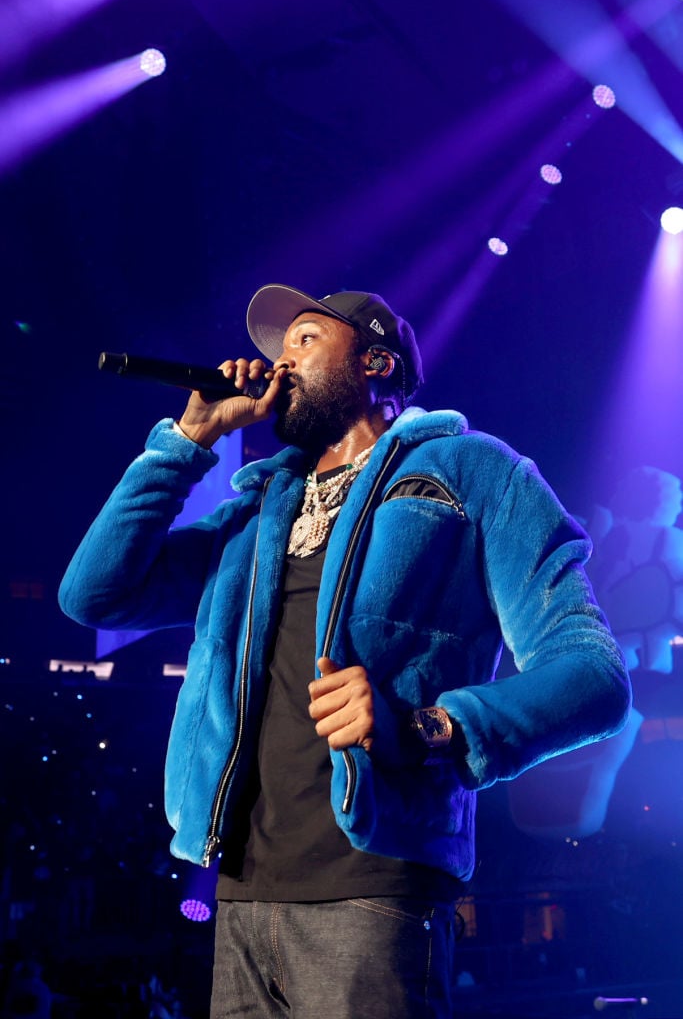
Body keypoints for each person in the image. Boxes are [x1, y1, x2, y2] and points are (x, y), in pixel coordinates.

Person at [59, 284, 631, 1019]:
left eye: (302, 339)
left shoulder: (475, 472)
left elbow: (593, 677)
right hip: (240, 892)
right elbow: (94, 595)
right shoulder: (254, 512)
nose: (278, 362)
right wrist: (184, 445)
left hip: (374, 890)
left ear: (375, 360)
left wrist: (425, 726)